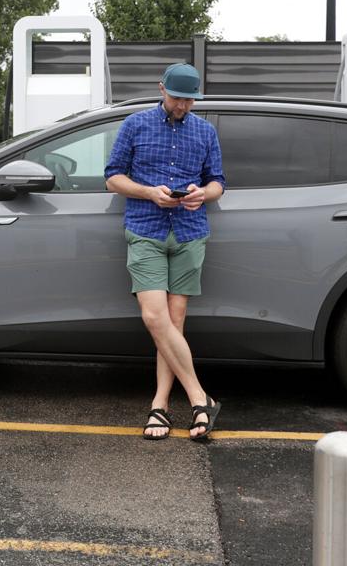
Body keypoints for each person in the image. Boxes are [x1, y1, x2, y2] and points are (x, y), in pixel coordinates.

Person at [104, 63, 225, 441]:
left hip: (190, 232)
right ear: (161, 89)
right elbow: (112, 177)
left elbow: (218, 181)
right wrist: (149, 191)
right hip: (145, 230)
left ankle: (159, 405)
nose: (183, 106)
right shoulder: (135, 125)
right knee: (155, 318)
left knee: (174, 322)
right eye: (177, 98)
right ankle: (200, 397)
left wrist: (202, 193)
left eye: (189, 100)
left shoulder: (205, 131)